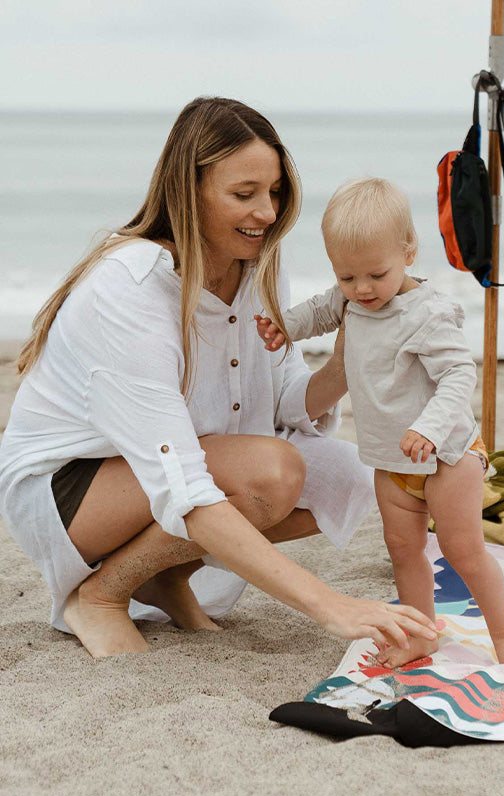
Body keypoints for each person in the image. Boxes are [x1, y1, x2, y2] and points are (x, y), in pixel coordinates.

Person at [0, 98, 438, 659]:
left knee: (346, 475)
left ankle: (162, 575)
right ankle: (100, 595)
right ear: (190, 189)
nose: (267, 212)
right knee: (270, 473)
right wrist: (332, 606)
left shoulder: (253, 270)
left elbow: (285, 405)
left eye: (275, 192)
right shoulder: (129, 288)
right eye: (244, 193)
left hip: (166, 473)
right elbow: (181, 482)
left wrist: (348, 359)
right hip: (67, 493)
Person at [256, 177, 504, 667]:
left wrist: (429, 427)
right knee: (402, 551)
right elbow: (318, 312)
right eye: (347, 277)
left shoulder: (427, 314)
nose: (361, 290)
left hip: (446, 457)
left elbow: (459, 374)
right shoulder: (349, 299)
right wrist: (284, 325)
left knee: (463, 553)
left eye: (376, 275)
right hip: (390, 460)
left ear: (408, 251)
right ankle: (421, 635)